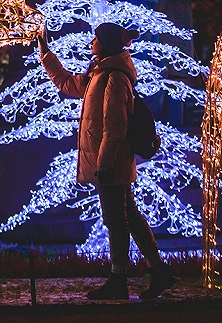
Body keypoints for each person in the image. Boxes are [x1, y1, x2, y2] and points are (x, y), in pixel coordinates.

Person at [37, 22, 176, 300]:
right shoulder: (99, 73)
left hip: (111, 162)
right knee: (130, 217)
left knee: (116, 220)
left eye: (96, 38)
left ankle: (118, 280)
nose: (91, 42)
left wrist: (104, 165)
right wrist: (45, 53)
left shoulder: (114, 77)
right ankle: (159, 272)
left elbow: (115, 127)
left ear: (106, 43)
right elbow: (67, 83)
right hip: (112, 161)